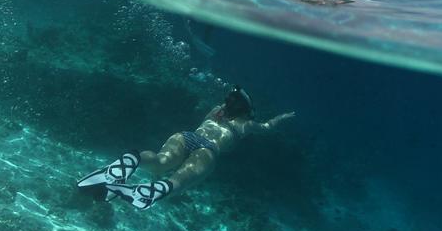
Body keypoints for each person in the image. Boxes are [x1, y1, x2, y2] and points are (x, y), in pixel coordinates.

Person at [76, 87, 295, 209]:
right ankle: (150, 191)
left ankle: (130, 161)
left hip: (186, 136)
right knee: (177, 182)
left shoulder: (217, 110)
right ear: (246, 110)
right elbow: (266, 127)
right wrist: (281, 118)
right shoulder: (246, 124)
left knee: (159, 162)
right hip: (208, 150)